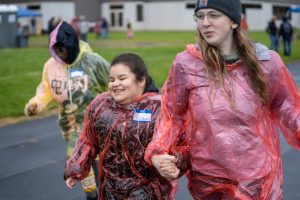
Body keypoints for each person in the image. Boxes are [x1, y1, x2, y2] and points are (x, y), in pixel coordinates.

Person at [145, 0, 300, 199]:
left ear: (234, 22)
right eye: (200, 17)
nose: (205, 23)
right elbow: (171, 114)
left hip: (255, 177)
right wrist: (158, 151)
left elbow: (287, 107)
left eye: (214, 15)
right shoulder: (186, 64)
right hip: (207, 177)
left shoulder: (266, 63)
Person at [64, 53, 189, 199]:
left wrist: (173, 163)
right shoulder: (101, 107)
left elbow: (183, 145)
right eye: (111, 80)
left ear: (141, 80)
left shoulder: (159, 110)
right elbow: (88, 141)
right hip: (110, 190)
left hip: (148, 192)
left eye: (122, 78)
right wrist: (75, 169)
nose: (115, 84)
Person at [24, 21, 110, 200]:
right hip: (71, 128)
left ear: (71, 46)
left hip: (98, 126)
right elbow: (45, 89)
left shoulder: (92, 61)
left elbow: (114, 83)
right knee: (81, 166)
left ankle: (104, 193)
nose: (60, 54)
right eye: (57, 50)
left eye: (63, 49)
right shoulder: (51, 65)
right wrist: (36, 104)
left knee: (101, 167)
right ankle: (92, 196)